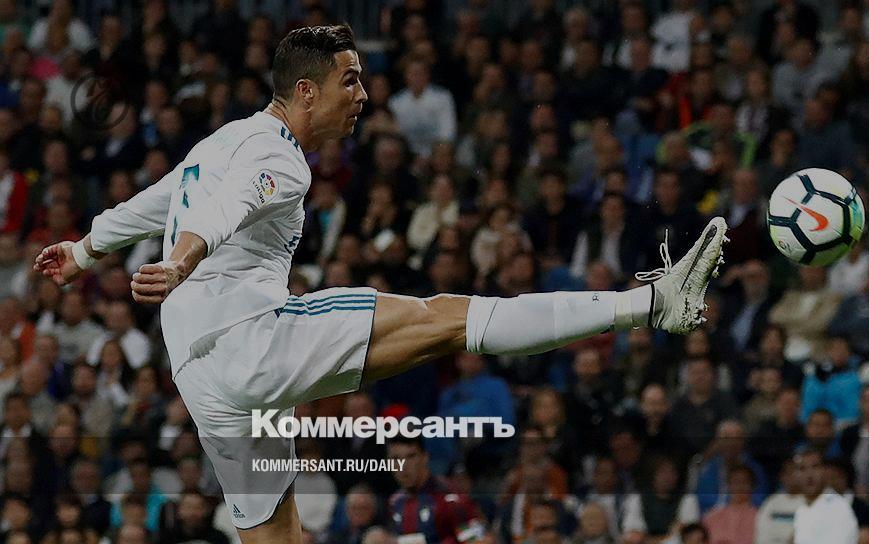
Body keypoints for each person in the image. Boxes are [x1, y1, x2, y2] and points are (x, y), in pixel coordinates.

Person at [33, 24, 730, 543]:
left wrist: (86, 250)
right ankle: (652, 303)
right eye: (351, 81)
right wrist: (184, 261)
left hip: (200, 377)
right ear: (306, 91)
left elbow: (163, 198)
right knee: (448, 320)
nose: (363, 95)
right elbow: (226, 212)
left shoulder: (218, 142)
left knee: (273, 534)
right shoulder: (281, 158)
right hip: (250, 340)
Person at [792, 450, 858, 544]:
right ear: (795, 475)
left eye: (815, 467)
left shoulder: (839, 508)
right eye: (802, 469)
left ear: (825, 471)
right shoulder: (801, 509)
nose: (809, 474)